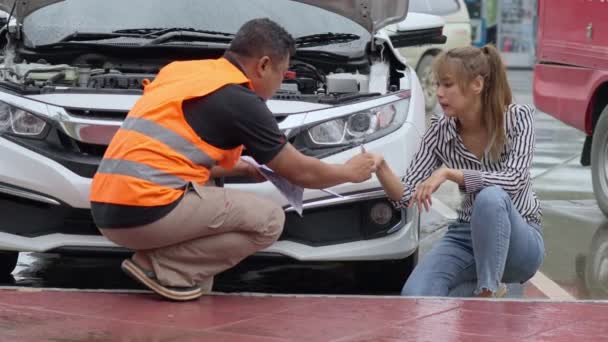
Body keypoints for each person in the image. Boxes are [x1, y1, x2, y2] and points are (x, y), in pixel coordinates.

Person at [89, 18, 376, 301]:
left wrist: (240, 168)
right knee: (270, 220)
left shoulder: (184, 72)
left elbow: (174, 149)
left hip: (106, 207)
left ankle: (176, 278)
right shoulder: (239, 98)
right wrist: (349, 172)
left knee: (211, 185)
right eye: (282, 74)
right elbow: (300, 171)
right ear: (263, 65)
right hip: (146, 211)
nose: (279, 84)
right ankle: (161, 268)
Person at [369, 45, 544, 297]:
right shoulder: (441, 130)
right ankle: (488, 290)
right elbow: (407, 196)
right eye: (437, 84)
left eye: (447, 85)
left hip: (520, 239)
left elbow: (514, 180)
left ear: (476, 84)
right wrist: (381, 167)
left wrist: (452, 174)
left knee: (491, 198)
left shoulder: (517, 118)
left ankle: (489, 290)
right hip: (467, 235)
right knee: (415, 295)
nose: (439, 93)